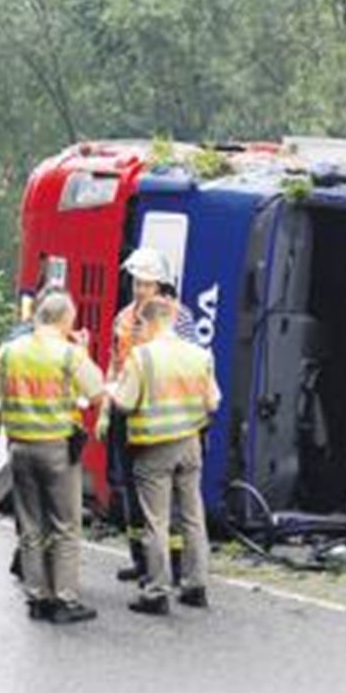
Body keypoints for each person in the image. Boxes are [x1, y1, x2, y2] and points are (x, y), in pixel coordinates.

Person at [0, 292, 104, 624]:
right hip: (55, 447)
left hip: (20, 448)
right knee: (65, 525)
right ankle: (64, 600)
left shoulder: (9, 352)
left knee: (30, 524)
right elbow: (97, 392)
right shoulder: (69, 354)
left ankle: (37, 597)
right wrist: (82, 349)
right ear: (65, 320)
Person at [111, 297, 220, 615]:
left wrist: (114, 391)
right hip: (190, 444)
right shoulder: (201, 355)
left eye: (139, 326)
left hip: (154, 447)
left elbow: (125, 403)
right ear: (171, 320)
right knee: (192, 516)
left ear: (146, 323)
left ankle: (156, 591)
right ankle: (196, 586)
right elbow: (213, 402)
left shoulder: (141, 357)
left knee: (156, 520)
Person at [100, 247, 196, 585]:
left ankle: (172, 565)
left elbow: (190, 361)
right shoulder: (123, 318)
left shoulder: (178, 318)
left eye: (146, 284)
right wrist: (105, 405)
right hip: (126, 408)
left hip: (160, 412)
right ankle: (141, 561)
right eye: (136, 283)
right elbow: (114, 362)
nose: (139, 290)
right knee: (128, 488)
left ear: (161, 286)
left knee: (162, 495)